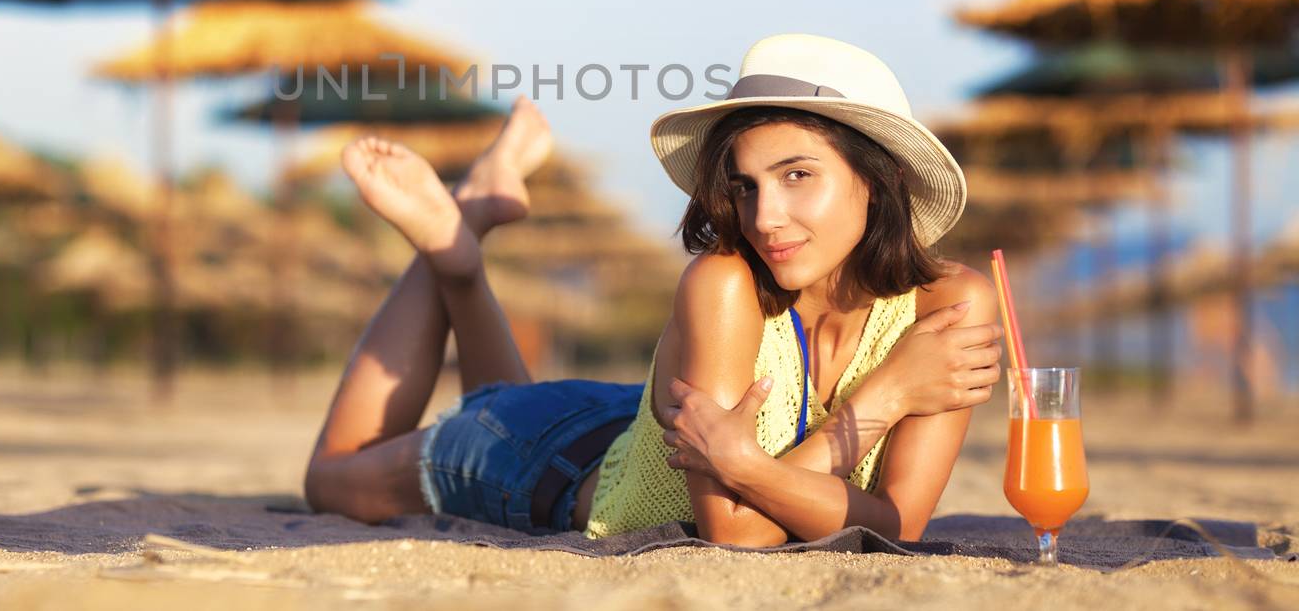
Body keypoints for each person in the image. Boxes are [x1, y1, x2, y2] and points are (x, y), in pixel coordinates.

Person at [304, 34, 1002, 546]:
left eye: (797, 175)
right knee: (332, 480)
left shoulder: (949, 305)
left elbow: (899, 523)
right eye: (745, 185)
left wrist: (742, 463)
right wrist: (886, 398)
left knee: (505, 402)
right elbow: (734, 529)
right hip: (547, 466)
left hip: (630, 431)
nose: (765, 217)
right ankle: (447, 249)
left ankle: (467, 238)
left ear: (875, 182)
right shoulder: (723, 283)